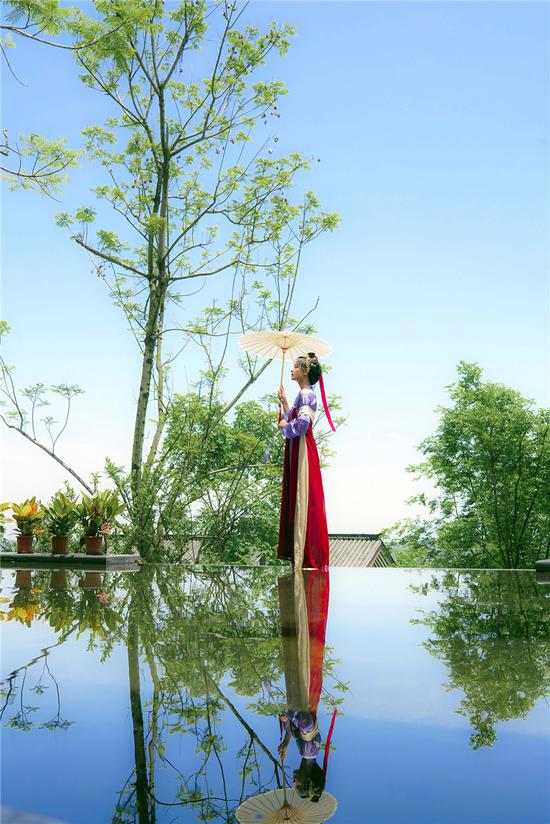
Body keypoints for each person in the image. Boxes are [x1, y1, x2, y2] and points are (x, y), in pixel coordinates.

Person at [276, 352, 333, 569]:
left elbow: (301, 425)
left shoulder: (307, 394)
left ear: (305, 371)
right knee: (299, 498)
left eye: (295, 367)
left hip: (302, 449)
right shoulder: (303, 394)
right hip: (298, 448)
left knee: (304, 499)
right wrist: (284, 402)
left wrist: (285, 427)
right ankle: (299, 554)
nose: (292, 369)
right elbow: (295, 417)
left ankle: (306, 555)